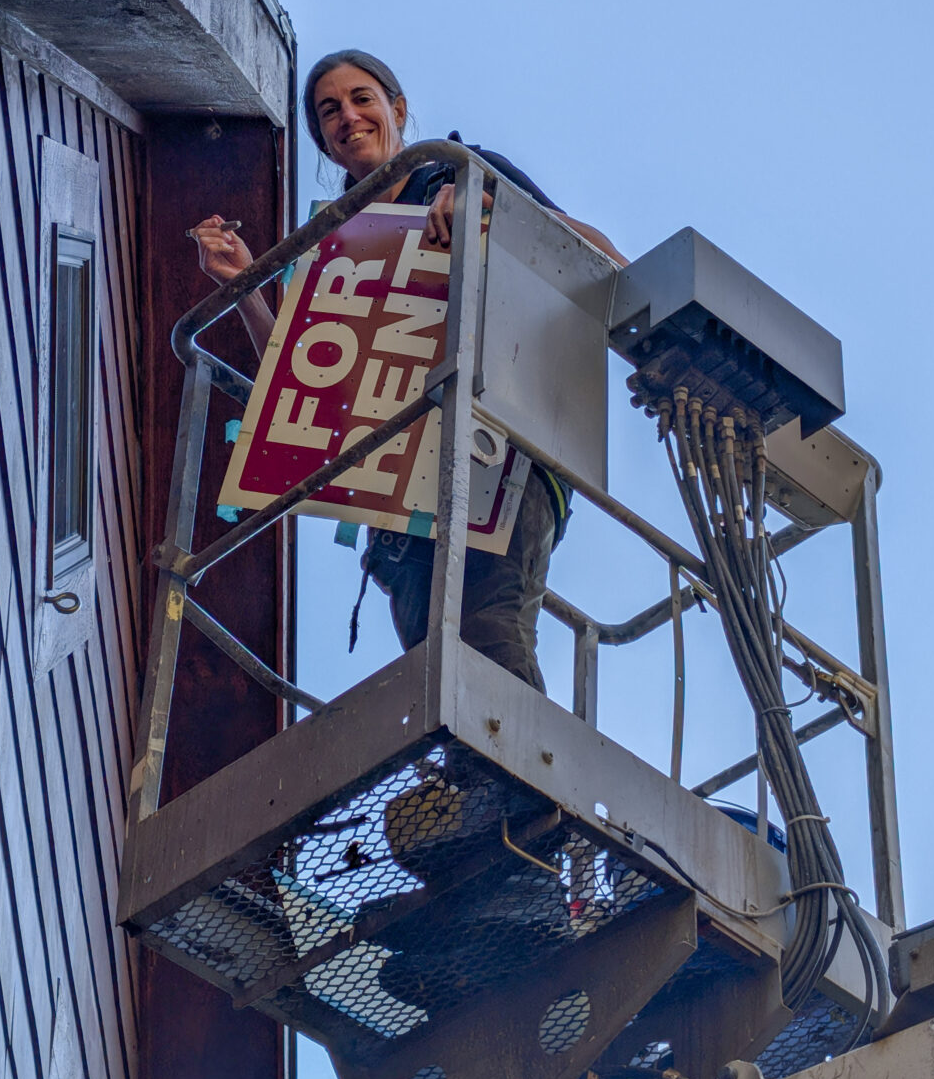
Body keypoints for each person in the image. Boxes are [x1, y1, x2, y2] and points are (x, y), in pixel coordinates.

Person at [191, 48, 626, 693]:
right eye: (329, 111)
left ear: (397, 109)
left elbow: (603, 259)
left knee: (486, 637)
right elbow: (303, 380)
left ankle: (520, 796)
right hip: (401, 490)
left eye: (362, 99)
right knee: (435, 670)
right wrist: (245, 288)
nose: (348, 117)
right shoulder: (336, 243)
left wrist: (487, 213)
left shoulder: (459, 175)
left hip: (499, 457)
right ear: (324, 141)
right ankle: (471, 791)